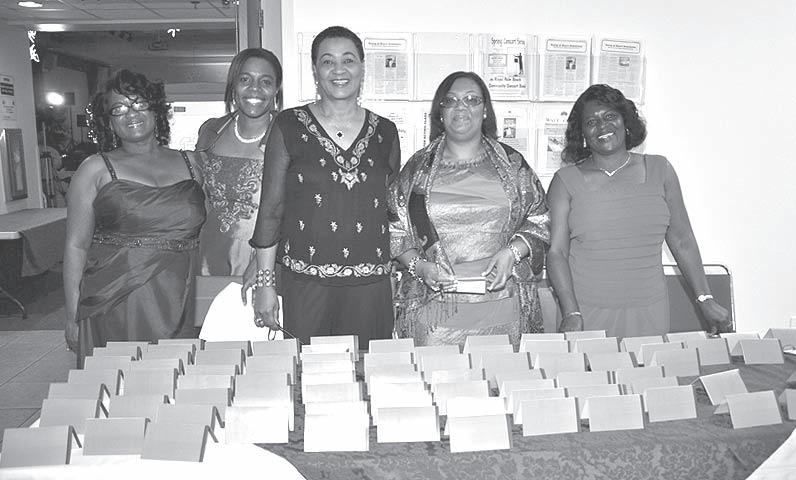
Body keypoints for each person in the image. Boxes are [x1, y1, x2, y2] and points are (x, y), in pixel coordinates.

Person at [247, 26, 400, 345]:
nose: (339, 69)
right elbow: (271, 210)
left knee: (368, 369)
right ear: (315, 70)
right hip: (306, 284)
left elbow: (391, 213)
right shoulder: (289, 125)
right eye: (328, 61)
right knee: (309, 369)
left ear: (362, 67)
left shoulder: (385, 132)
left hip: (371, 287)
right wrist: (265, 283)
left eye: (348, 60)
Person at [546, 84, 730, 338]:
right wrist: (570, 312)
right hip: (585, 315)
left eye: (610, 116)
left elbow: (682, 240)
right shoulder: (565, 181)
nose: (602, 126)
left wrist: (704, 298)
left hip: (649, 311)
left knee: (648, 365)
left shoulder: (661, 170)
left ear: (625, 121)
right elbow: (557, 253)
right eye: (591, 122)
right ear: (583, 134)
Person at [389, 71, 550, 347]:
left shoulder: (512, 164)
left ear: (485, 110)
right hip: (436, 313)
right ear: (440, 112)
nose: (461, 107)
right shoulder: (417, 170)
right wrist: (420, 267)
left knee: (502, 373)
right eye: (451, 100)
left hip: (502, 306)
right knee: (437, 374)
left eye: (472, 99)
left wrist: (512, 253)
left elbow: (540, 219)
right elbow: (395, 228)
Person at [63, 69, 205, 366]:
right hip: (118, 298)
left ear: (156, 110)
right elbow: (76, 246)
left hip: (181, 292)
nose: (131, 113)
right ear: (109, 121)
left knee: (178, 378)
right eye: (119, 108)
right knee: (121, 381)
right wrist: (72, 313)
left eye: (139, 103)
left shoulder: (191, 163)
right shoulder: (94, 168)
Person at [196, 48, 282, 276]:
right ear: (233, 85)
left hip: (265, 257)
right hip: (207, 256)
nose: (255, 88)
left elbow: (298, 210)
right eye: (245, 79)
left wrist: (265, 262)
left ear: (276, 89)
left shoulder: (289, 136)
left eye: (266, 81)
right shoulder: (211, 131)